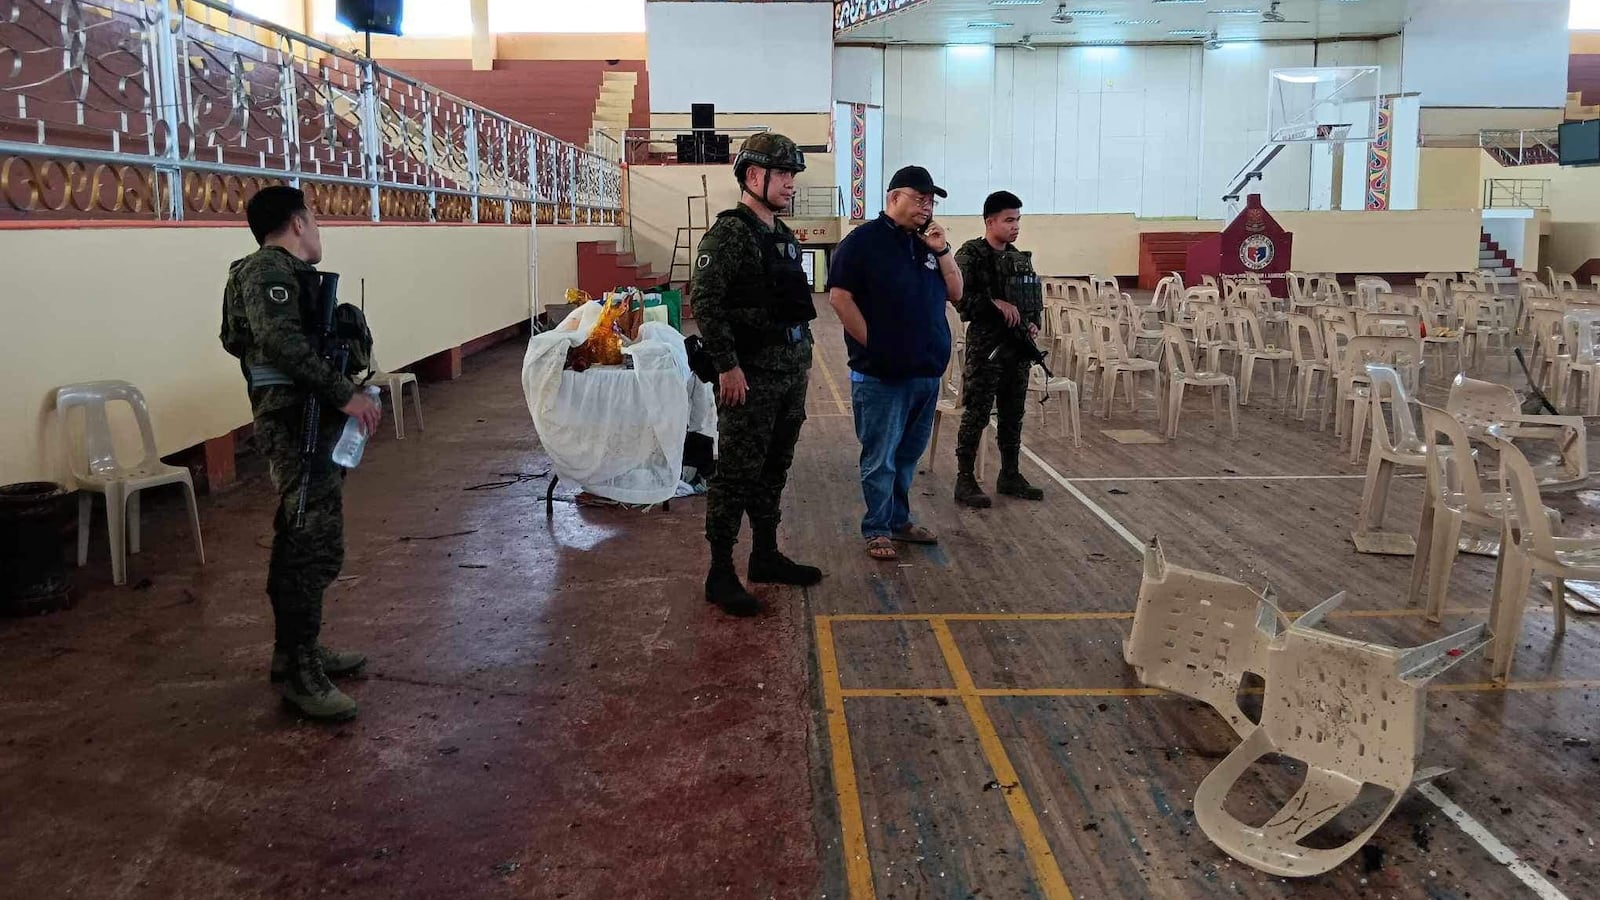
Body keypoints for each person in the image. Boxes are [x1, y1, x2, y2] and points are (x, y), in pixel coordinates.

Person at [219, 186, 382, 720]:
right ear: (296, 223)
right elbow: (281, 343)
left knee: (301, 536)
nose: (318, 229)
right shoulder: (267, 271)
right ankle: (300, 670)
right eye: (313, 219)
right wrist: (345, 395)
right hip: (296, 424)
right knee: (311, 542)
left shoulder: (278, 275)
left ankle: (294, 651)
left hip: (306, 419)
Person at [691, 133, 823, 616]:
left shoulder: (780, 234)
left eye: (792, 175)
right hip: (749, 378)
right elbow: (705, 301)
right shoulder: (731, 233)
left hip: (788, 375)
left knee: (774, 470)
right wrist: (726, 364)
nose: (791, 184)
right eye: (783, 174)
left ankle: (764, 554)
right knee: (736, 475)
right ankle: (720, 571)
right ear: (753, 176)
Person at [827, 166, 962, 562]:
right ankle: (877, 528)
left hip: (925, 372)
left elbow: (955, 292)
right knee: (880, 456)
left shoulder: (927, 246)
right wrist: (877, 345)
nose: (926, 207)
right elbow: (839, 298)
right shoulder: (862, 243)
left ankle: (900, 520)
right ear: (893, 199)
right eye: (919, 199)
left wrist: (942, 249)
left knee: (907, 456)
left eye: (931, 201)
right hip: (881, 375)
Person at [951, 190, 1046, 508]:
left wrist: (1032, 323)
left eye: (1018, 220)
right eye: (1009, 220)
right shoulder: (971, 255)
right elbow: (960, 297)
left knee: (1013, 415)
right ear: (990, 221)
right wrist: (994, 303)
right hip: (986, 348)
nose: (1015, 226)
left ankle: (1010, 474)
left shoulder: (1020, 259)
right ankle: (965, 479)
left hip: (1016, 348)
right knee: (976, 414)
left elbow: (1031, 300)